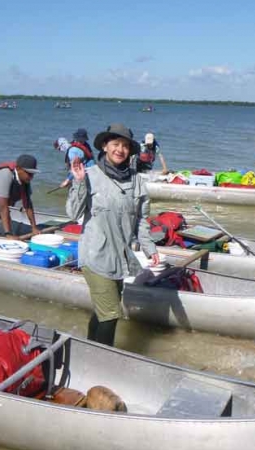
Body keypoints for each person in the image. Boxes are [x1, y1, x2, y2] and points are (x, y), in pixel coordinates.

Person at [66, 123, 160, 346]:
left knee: (103, 311)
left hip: (120, 257)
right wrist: (78, 183)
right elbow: (73, 213)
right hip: (95, 256)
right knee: (111, 314)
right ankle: (105, 361)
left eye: (126, 146)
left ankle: (89, 349)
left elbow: (141, 220)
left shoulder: (137, 181)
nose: (120, 149)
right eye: (115, 144)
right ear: (105, 147)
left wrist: (150, 248)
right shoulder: (89, 175)